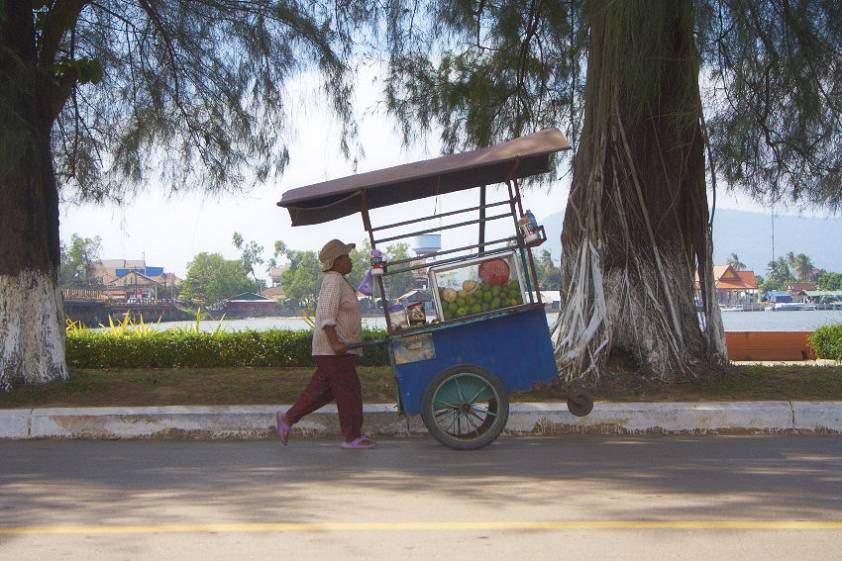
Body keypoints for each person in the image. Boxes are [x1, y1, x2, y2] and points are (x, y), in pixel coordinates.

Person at [275, 239, 376, 449]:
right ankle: (352, 437)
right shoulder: (333, 281)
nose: (350, 261)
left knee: (325, 390)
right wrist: (336, 342)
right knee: (349, 391)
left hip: (336, 349)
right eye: (346, 257)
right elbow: (327, 316)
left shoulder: (339, 280)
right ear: (336, 261)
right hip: (334, 350)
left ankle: (287, 418)